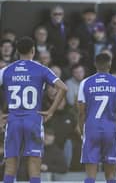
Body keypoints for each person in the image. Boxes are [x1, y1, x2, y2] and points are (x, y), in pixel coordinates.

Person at [0, 36, 67, 183]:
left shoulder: (6, 70)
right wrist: (51, 111)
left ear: (17, 52)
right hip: (33, 119)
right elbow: (63, 88)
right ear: (33, 51)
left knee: (11, 162)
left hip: (13, 120)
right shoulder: (41, 69)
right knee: (34, 161)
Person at [77, 53, 116, 183]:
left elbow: (81, 113)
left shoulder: (85, 83)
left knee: (90, 176)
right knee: (111, 176)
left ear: (95, 64)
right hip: (110, 130)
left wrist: (82, 132)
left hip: (91, 128)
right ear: (110, 64)